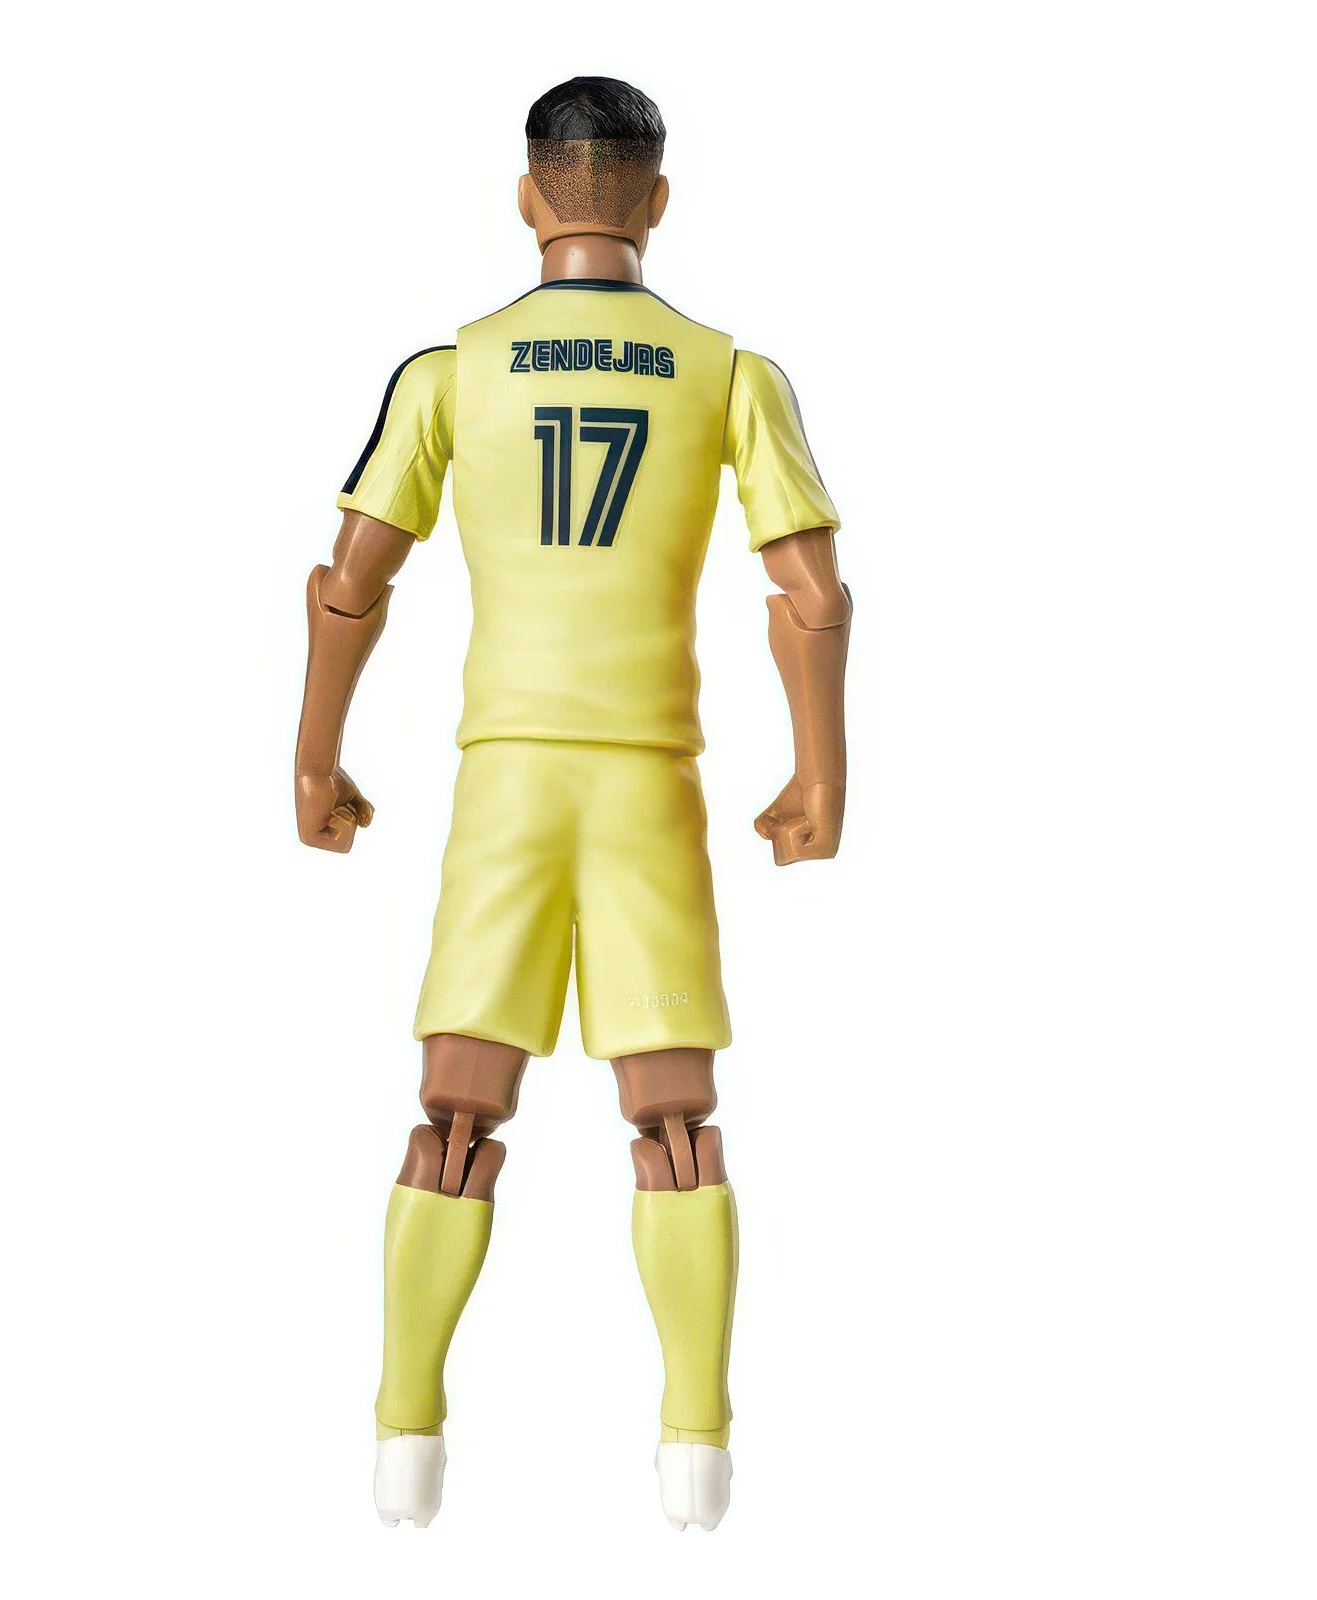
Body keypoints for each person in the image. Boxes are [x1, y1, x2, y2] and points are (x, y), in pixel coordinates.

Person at [293, 75, 850, 1531]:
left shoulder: (453, 372)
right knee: (675, 1118)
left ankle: (404, 1437)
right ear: (657, 200)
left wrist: (313, 755)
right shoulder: (728, 374)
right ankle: (697, 1447)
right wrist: (821, 770)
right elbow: (812, 592)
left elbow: (350, 579)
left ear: (530, 196)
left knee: (454, 1112)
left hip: (510, 782)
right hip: (650, 778)